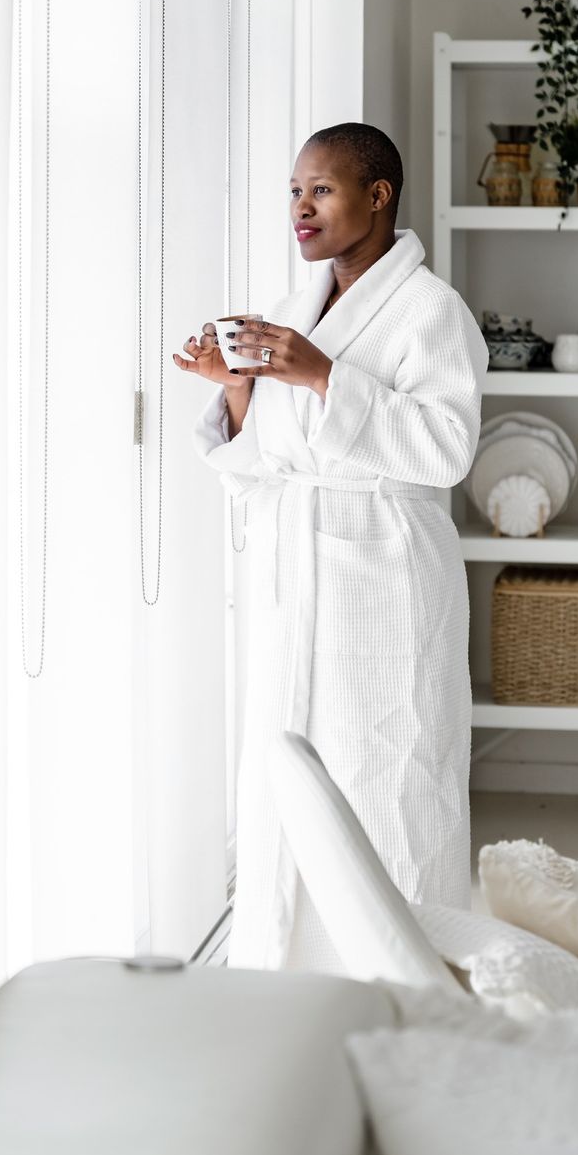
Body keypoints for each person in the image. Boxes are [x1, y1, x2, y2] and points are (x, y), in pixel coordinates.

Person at [172, 122, 487, 971]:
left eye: (321, 190)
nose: (300, 209)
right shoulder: (293, 308)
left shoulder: (432, 313)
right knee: (290, 778)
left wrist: (321, 375)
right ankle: (287, 969)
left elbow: (448, 449)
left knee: (390, 769)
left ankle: (404, 973)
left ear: (377, 196)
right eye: (294, 192)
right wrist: (238, 387)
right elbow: (270, 459)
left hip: (383, 577)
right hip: (295, 577)